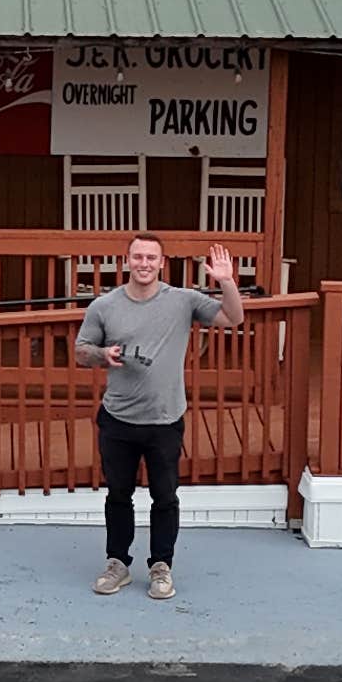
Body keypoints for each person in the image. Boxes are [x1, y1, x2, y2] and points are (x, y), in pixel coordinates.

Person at [72, 237, 246, 599]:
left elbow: (234, 317)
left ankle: (160, 567)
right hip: (117, 418)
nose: (144, 263)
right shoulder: (105, 306)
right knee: (118, 495)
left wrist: (226, 281)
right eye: (138, 256)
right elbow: (81, 352)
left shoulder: (182, 300)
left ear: (161, 262)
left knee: (165, 497)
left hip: (165, 420)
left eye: (151, 257)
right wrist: (103, 354)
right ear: (127, 260)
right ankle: (117, 563)